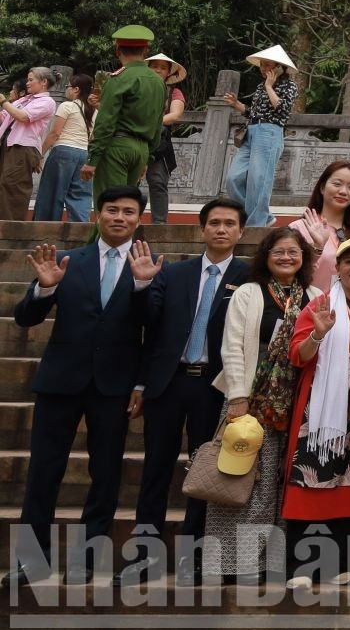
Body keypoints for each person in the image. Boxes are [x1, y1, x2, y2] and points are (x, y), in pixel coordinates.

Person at [8, 186, 157, 584]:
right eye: (112, 210)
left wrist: (143, 287)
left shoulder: (148, 265)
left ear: (139, 219)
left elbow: (155, 327)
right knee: (43, 471)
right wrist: (45, 288)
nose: (119, 217)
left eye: (128, 211)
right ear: (97, 215)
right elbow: (25, 318)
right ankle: (31, 561)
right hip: (60, 382)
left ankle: (86, 561)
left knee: (105, 474)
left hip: (114, 386)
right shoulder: (68, 260)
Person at [126, 197, 250, 585]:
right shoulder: (174, 273)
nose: (221, 229)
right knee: (155, 469)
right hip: (168, 383)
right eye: (214, 222)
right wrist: (142, 285)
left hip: (214, 388)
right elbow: (149, 328)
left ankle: (193, 558)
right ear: (202, 229)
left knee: (205, 472)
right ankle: (144, 556)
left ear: (241, 231)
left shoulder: (249, 278)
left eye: (229, 223)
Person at [208, 226, 319, 583]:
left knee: (283, 484)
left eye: (293, 252)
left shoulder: (315, 296)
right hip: (251, 401)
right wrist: (237, 396)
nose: (286, 257)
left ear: (303, 258)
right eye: (278, 252)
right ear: (266, 257)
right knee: (243, 481)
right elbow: (232, 346)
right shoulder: (248, 293)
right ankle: (234, 563)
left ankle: (273, 562)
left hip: (296, 403)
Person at [282, 234, 350, 587]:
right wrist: (317, 334)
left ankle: (341, 563)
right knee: (310, 479)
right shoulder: (321, 305)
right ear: (337, 267)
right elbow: (297, 356)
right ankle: (300, 567)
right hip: (320, 410)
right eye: (349, 261)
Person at [223, 45, 299, 227]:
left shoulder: (290, 86)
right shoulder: (260, 87)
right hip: (251, 132)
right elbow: (254, 113)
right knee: (233, 178)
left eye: (267, 65)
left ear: (279, 67)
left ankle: (256, 224)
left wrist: (269, 86)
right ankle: (261, 215)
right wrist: (237, 104)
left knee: (259, 180)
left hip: (269, 133)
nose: (263, 69)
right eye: (262, 65)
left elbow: (281, 109)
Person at [88, 24, 167, 200]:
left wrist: (92, 159)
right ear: (146, 51)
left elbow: (105, 121)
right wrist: (147, 158)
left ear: (118, 50)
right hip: (142, 150)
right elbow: (158, 123)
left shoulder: (118, 78)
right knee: (127, 204)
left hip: (117, 147)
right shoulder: (158, 82)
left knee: (109, 205)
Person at [281, 161, 350, 294]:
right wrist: (317, 248)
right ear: (322, 188)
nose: (343, 191)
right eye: (337, 184)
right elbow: (289, 276)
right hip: (311, 303)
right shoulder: (299, 229)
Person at [32, 72, 91, 224]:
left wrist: (40, 154)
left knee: (52, 193)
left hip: (63, 152)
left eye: (68, 86)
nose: (66, 89)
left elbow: (55, 133)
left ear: (76, 89)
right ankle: (80, 230)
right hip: (84, 154)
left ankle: (46, 229)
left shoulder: (67, 106)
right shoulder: (94, 110)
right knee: (80, 196)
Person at [1, 66, 57, 222]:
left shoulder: (47, 102)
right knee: (4, 185)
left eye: (31, 80)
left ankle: (12, 227)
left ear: (44, 82)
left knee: (13, 187)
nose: (27, 83)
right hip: (8, 144)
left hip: (22, 147)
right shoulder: (25, 99)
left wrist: (4, 101)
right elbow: (4, 116)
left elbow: (23, 117)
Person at [144, 56, 186, 220]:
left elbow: (175, 115)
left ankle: (159, 223)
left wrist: (151, 123)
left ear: (169, 72)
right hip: (135, 139)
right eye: (154, 66)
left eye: (163, 67)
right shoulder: (139, 88)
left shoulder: (173, 92)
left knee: (157, 182)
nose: (158, 70)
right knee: (129, 183)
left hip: (159, 143)